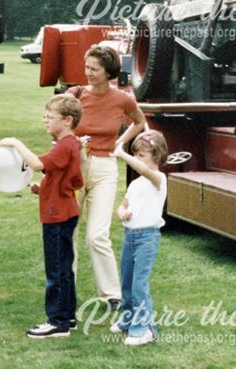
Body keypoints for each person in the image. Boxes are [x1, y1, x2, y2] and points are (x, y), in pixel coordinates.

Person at [0, 94, 84, 338]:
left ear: (67, 120)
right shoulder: (71, 145)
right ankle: (67, 317)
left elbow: (36, 165)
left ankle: (57, 321)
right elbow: (73, 180)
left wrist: (16, 143)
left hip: (57, 218)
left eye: (50, 117)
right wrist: (43, 188)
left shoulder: (65, 145)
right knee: (65, 269)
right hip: (66, 211)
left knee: (56, 270)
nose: (45, 120)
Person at [72, 45, 147, 310]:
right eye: (87, 67)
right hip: (75, 167)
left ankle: (112, 295)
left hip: (105, 168)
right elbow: (55, 127)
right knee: (69, 231)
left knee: (96, 235)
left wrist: (121, 144)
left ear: (109, 72)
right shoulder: (74, 95)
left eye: (94, 69)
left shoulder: (122, 99)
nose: (88, 73)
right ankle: (66, 291)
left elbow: (140, 122)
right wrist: (73, 141)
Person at [110, 131, 169, 346]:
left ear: (158, 156)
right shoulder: (136, 184)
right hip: (130, 237)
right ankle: (128, 319)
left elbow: (144, 169)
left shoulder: (159, 179)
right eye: (135, 154)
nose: (137, 159)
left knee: (139, 285)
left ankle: (145, 329)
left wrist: (123, 155)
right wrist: (121, 212)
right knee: (126, 281)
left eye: (141, 155)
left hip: (147, 238)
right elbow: (123, 205)